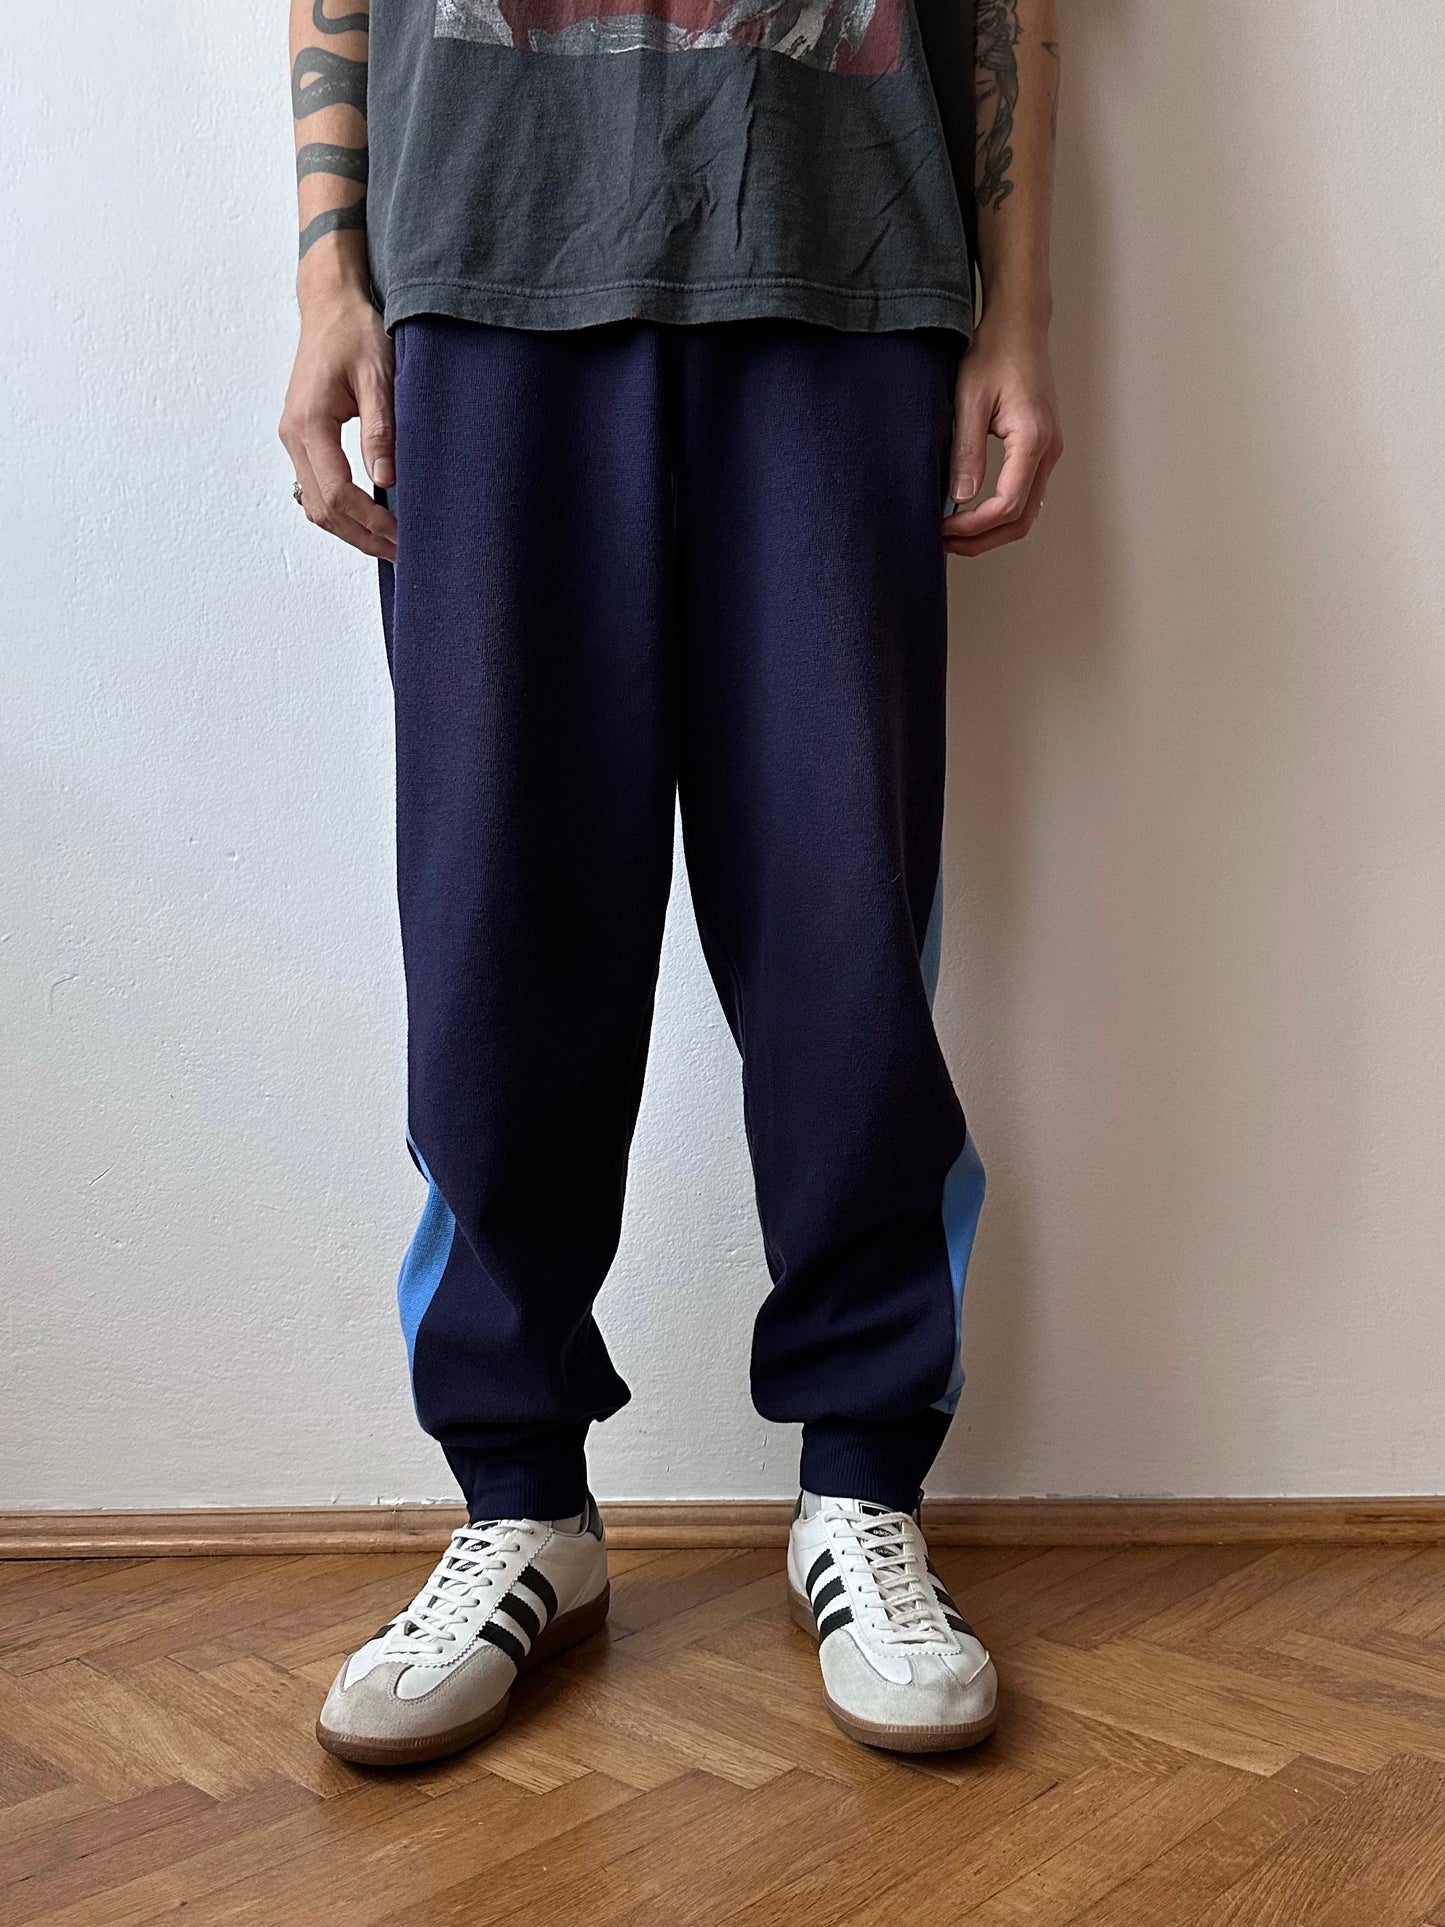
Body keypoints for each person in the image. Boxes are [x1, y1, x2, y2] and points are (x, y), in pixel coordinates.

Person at [281, 0, 1061, 1764]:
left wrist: (1017, 314)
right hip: (482, 270)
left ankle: (861, 1482)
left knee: (845, 933)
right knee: (496, 932)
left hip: (846, 266)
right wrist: (330, 279)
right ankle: (520, 1499)